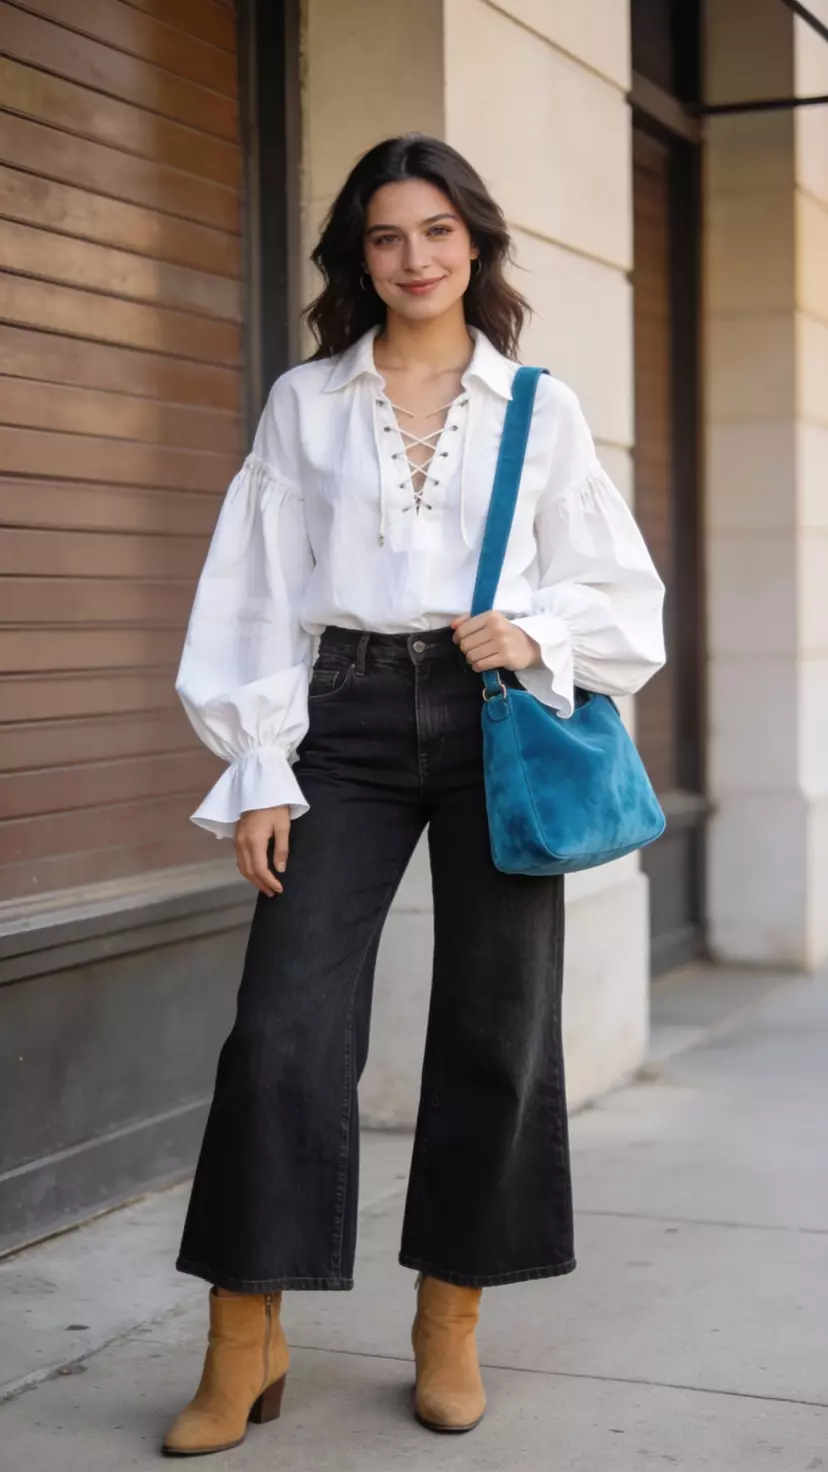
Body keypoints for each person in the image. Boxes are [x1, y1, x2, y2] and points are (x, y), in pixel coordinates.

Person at [162, 134, 665, 1457]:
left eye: (438, 231)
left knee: (497, 1027)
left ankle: (450, 1320)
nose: (415, 257)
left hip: (495, 718)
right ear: (359, 256)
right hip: (341, 718)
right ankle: (243, 1336)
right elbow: (256, 591)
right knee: (280, 1029)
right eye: (387, 236)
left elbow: (623, 599)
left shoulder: (537, 407)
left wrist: (536, 632)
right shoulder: (306, 403)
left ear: (474, 243)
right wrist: (258, 769)